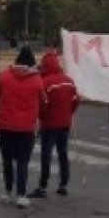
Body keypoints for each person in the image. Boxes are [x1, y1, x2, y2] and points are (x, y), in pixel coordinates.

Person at [0, 47, 46, 208]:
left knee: (7, 160)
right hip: (26, 128)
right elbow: (44, 102)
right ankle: (21, 194)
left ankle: (7, 191)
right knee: (23, 162)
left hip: (6, 125)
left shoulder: (4, 77)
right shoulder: (37, 80)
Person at [29, 51, 79, 198]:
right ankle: (63, 184)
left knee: (46, 155)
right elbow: (76, 100)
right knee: (63, 153)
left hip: (49, 124)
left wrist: (41, 116)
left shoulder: (45, 82)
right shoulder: (68, 80)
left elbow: (42, 105)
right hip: (65, 123)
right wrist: (69, 112)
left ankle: (43, 186)